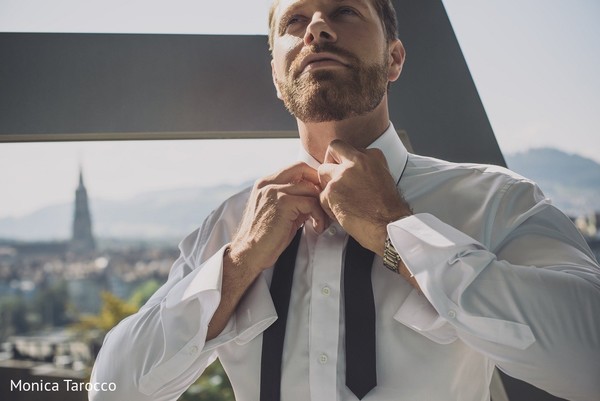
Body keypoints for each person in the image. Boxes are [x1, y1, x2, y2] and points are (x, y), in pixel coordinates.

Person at [89, 0, 600, 400]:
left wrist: (400, 231)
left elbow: (590, 360)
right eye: (294, 20)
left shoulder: (498, 201)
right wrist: (239, 265)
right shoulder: (229, 226)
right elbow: (112, 389)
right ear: (276, 73)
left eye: (344, 12)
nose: (316, 28)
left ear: (394, 58)